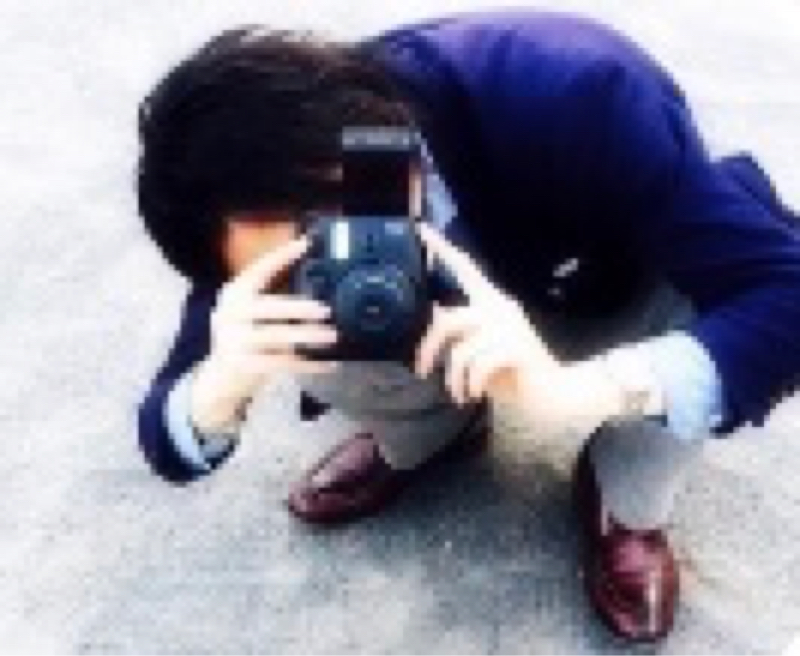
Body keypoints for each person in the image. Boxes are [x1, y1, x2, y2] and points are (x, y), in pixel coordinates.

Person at [136, 9, 800, 643]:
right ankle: (433, 433)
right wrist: (216, 392)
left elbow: (785, 290)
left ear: (360, 124)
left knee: (713, 311)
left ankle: (624, 496)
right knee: (279, 329)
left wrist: (579, 391)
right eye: (302, 262)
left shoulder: (578, 89)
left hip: (601, 294)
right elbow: (168, 428)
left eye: (339, 219)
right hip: (444, 329)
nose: (345, 259)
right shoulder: (242, 219)